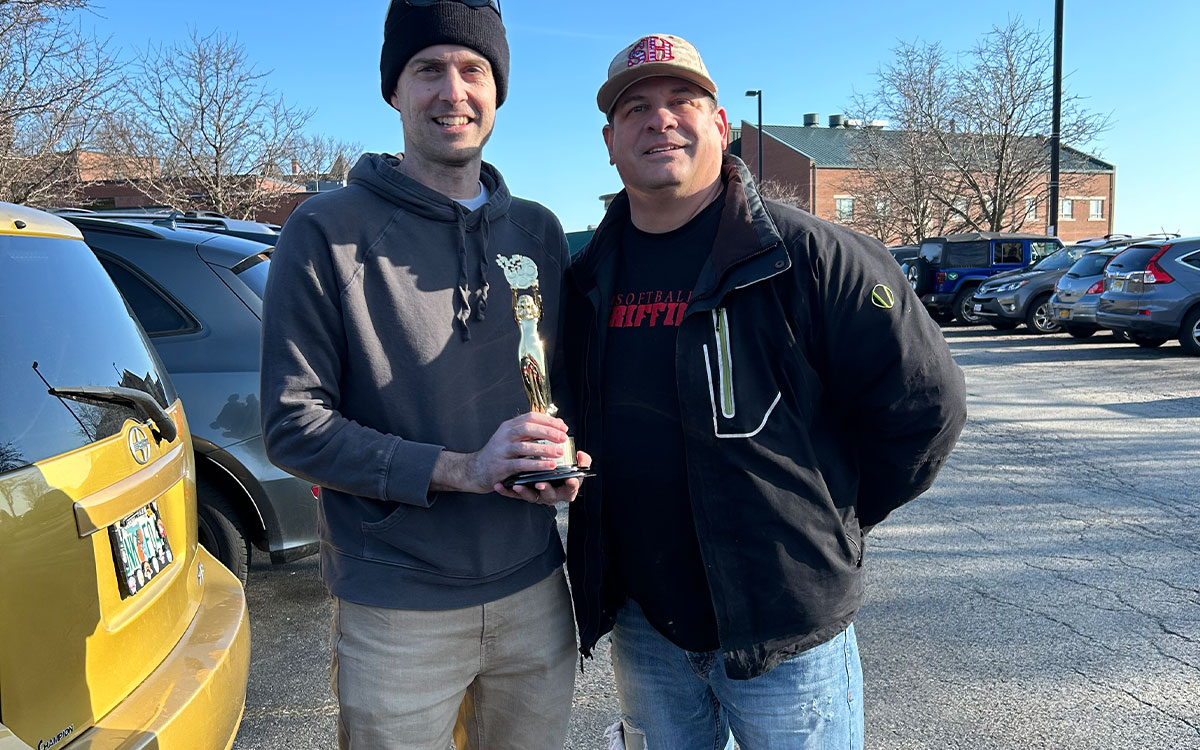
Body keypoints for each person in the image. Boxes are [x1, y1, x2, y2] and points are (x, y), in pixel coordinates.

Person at [562, 33, 968, 749]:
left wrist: (829, 517)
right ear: (610, 139)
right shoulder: (585, 277)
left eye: (683, 101)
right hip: (646, 627)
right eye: (637, 108)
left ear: (722, 126)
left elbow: (925, 410)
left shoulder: (813, 256)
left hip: (785, 630)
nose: (660, 119)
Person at [259, 2, 584, 748]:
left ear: (498, 90)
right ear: (394, 91)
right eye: (427, 69)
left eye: (473, 70)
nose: (453, 91)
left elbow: (563, 389)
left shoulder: (537, 231)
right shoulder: (326, 230)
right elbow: (293, 425)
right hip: (394, 604)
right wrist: (463, 469)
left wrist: (566, 461)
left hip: (534, 590)